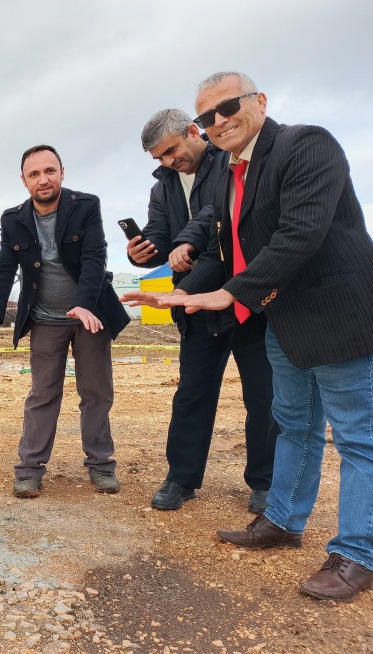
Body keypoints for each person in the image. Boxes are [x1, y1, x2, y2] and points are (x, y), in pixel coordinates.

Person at [123, 72, 373, 602]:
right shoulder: (229, 173)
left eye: (227, 107)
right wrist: (181, 288)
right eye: (208, 115)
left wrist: (230, 292)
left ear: (259, 101)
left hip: (334, 313)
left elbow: (300, 233)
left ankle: (357, 554)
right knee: (294, 425)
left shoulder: (306, 144)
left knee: (358, 437)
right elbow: (214, 233)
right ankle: (282, 519)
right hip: (279, 314)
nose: (218, 121)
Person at [0, 145, 130, 498]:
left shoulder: (86, 206)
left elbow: (94, 257)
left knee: (96, 392)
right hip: (45, 319)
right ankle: (29, 469)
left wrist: (83, 304)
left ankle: (101, 464)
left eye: (50, 171)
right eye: (34, 174)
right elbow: (4, 267)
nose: (43, 179)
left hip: (90, 316)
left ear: (62, 172)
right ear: (24, 181)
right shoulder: (14, 219)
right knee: (43, 393)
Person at [128, 109, 278, 513]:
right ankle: (181, 478)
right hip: (194, 302)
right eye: (159, 158)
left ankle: (265, 483)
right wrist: (143, 252)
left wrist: (188, 243)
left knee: (262, 394)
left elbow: (217, 216)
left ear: (194, 132)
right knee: (192, 393)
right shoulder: (163, 187)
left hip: (244, 295)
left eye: (171, 151)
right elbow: (160, 236)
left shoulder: (229, 160)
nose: (168, 162)